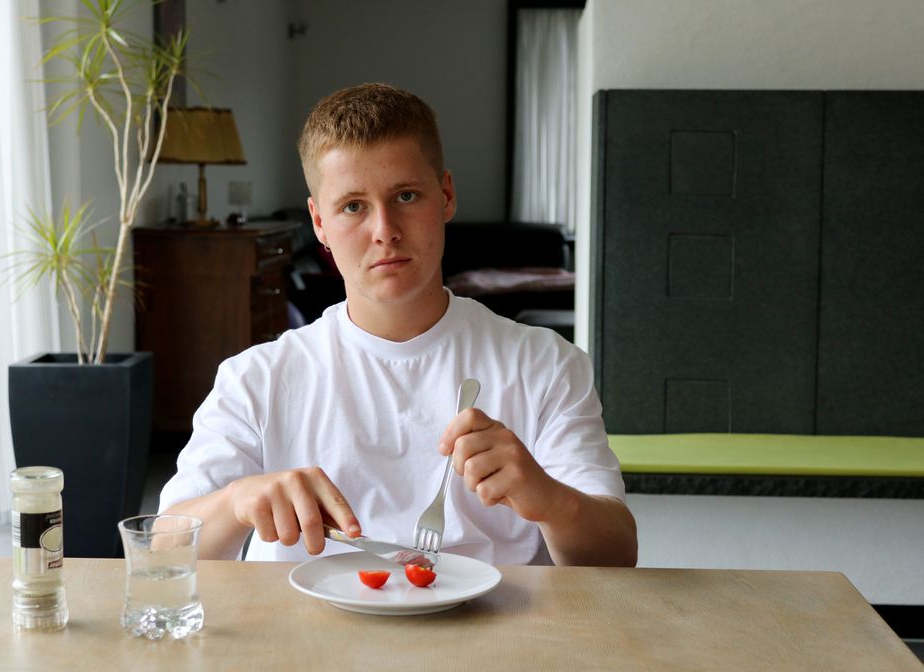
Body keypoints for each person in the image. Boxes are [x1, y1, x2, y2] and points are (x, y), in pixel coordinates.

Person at [160, 83, 637, 567]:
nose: (384, 229)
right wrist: (236, 501)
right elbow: (164, 548)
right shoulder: (256, 378)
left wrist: (552, 500)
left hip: (494, 635)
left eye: (406, 195)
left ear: (446, 195)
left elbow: (618, 556)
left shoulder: (546, 364)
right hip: (304, 638)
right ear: (319, 223)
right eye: (353, 206)